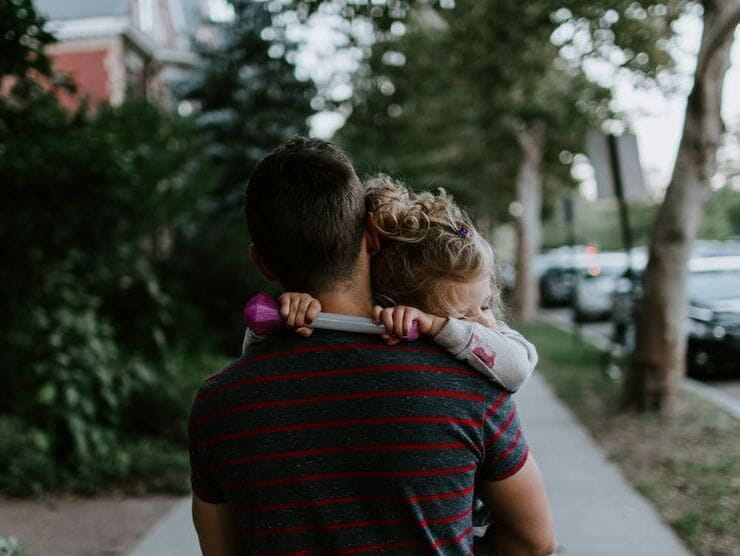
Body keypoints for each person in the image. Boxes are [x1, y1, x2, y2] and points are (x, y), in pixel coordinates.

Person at [188, 137, 556, 555]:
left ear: (262, 262)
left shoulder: (219, 404)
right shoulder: (468, 381)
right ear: (371, 235)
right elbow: (533, 542)